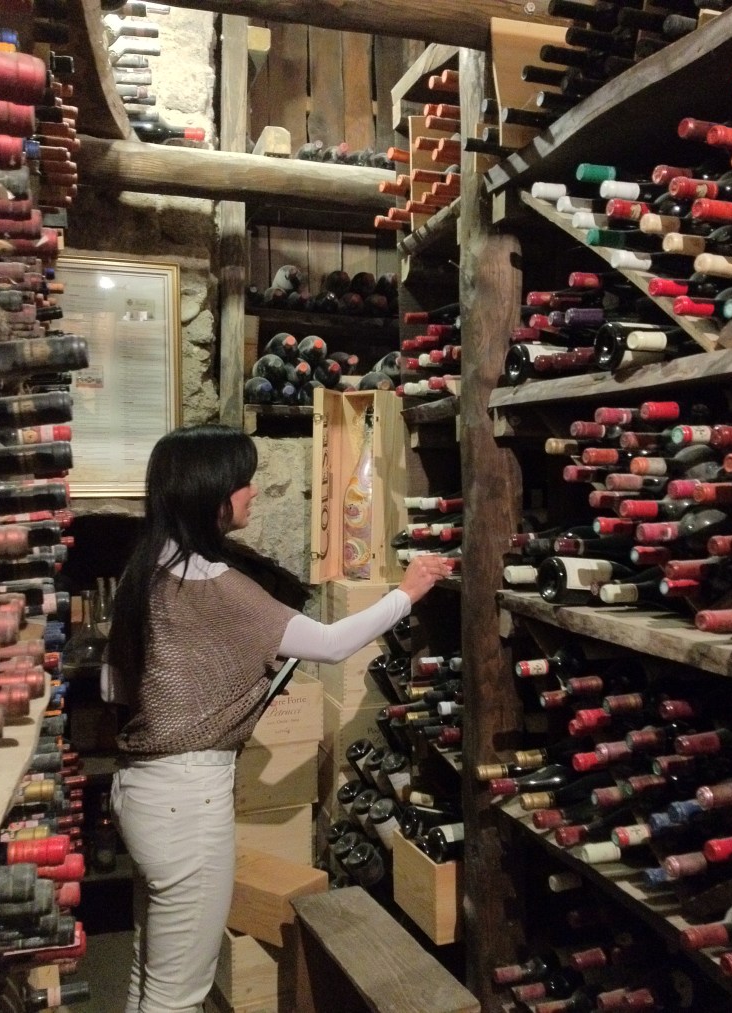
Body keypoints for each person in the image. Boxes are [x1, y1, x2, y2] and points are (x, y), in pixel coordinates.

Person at [101, 423, 452, 1013]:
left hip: (139, 793)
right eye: (244, 481)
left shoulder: (147, 570)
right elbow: (331, 644)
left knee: (149, 975)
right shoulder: (217, 586)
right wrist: (407, 592)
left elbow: (114, 686)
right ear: (213, 495)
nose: (255, 491)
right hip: (186, 802)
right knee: (179, 995)